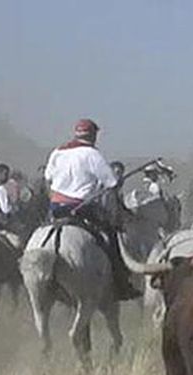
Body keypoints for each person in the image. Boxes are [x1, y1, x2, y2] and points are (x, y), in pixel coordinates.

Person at [44, 118, 141, 300]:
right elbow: (111, 182)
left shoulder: (58, 151)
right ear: (93, 135)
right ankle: (121, 283)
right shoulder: (92, 154)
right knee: (112, 233)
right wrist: (117, 182)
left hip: (56, 207)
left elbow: (48, 176)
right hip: (81, 207)